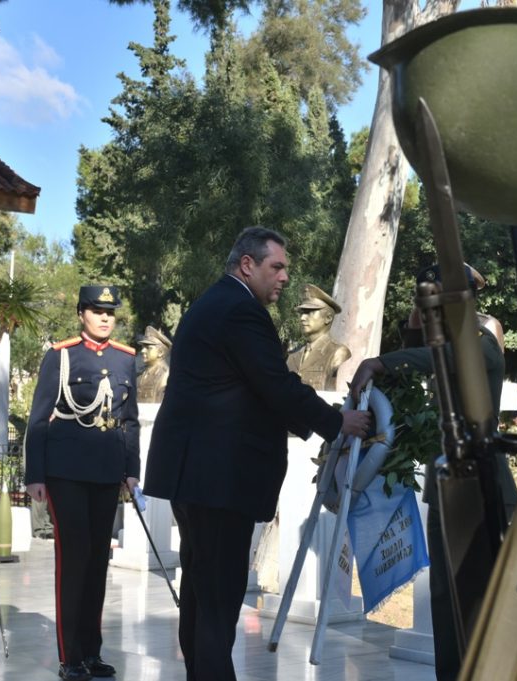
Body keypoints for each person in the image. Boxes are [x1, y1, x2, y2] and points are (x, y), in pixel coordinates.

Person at [143, 226, 370, 681]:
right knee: (218, 598)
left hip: (197, 476)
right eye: (277, 267)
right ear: (247, 265)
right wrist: (336, 422)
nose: (284, 277)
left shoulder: (214, 303)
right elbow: (274, 383)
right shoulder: (241, 310)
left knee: (203, 594)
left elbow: (248, 388)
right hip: (218, 479)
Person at [348, 262, 517, 681]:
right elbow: (420, 362)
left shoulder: (482, 338)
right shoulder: (440, 342)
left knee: (487, 596)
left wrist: (379, 362)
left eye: (433, 302)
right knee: (445, 595)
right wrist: (412, 324)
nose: (428, 313)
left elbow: (444, 358)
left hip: (483, 486)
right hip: (446, 484)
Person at [24, 285, 141, 681]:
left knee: (96, 563)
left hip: (107, 471)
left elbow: (129, 421)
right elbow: (39, 419)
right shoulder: (60, 356)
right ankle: (70, 656)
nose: (105, 317)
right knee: (74, 560)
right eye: (97, 310)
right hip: (67, 471)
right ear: (81, 314)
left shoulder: (126, 359)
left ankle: (92, 652)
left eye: (110, 312)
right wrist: (35, 475)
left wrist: (131, 469)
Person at [285, 284, 351, 391]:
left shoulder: (338, 353)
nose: (302, 318)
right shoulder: (293, 355)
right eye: (302, 312)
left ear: (328, 318)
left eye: (309, 312)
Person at [137, 325, 172, 403]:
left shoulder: (166, 375)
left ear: (160, 352)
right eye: (143, 347)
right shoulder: (141, 376)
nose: (142, 351)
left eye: (148, 348)